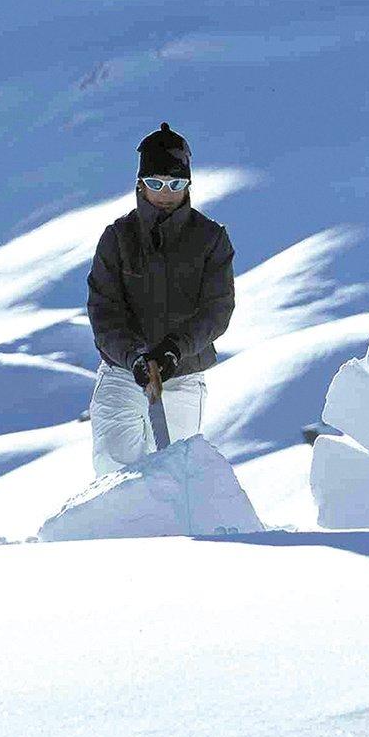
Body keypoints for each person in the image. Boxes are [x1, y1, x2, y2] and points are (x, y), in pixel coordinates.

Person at [85, 122, 236, 475]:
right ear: (140, 185)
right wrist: (133, 356)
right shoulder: (118, 238)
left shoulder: (211, 239)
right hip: (123, 372)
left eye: (175, 183)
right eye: (155, 183)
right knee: (114, 469)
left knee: (173, 475)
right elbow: (103, 310)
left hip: (182, 374)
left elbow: (217, 309)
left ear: (188, 185)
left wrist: (174, 349)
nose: (165, 193)